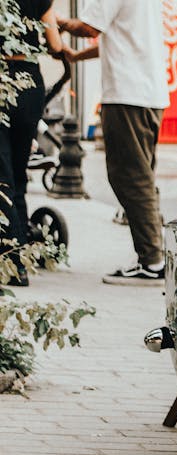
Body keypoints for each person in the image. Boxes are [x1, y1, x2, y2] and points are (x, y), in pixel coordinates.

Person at [59, 0, 169, 285]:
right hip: (150, 95)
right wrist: (78, 57)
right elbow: (122, 40)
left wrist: (55, 21)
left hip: (126, 95)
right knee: (142, 177)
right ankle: (154, 256)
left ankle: (152, 262)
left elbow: (89, 27)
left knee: (130, 178)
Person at [0, 0, 68, 287]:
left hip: (4, 82)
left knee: (2, 176)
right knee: (17, 174)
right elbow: (55, 44)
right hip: (30, 84)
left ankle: (13, 262)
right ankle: (20, 256)